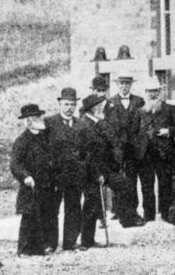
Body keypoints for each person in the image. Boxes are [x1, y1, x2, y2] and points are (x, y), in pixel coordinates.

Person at [45, 86, 90, 251]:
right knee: (52, 209)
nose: (69, 108)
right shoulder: (49, 123)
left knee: (73, 208)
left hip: (75, 175)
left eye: (72, 104)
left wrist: (83, 168)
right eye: (66, 104)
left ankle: (70, 242)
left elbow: (87, 150)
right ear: (59, 104)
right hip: (55, 175)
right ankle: (50, 243)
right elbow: (43, 149)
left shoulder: (82, 125)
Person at [11, 102, 56, 256]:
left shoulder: (44, 137)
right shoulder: (22, 141)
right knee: (29, 217)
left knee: (45, 215)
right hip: (30, 186)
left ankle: (40, 248)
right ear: (29, 121)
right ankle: (24, 249)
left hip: (46, 184)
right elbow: (15, 164)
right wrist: (26, 177)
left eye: (39, 116)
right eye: (36, 117)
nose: (40, 119)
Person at [103, 74, 144, 227]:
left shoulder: (139, 101)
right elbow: (107, 125)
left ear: (130, 85)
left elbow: (143, 124)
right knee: (117, 179)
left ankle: (133, 211)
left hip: (133, 147)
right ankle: (118, 210)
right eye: (121, 83)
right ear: (117, 85)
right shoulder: (110, 102)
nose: (124, 86)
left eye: (127, 83)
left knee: (132, 179)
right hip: (117, 147)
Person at [135, 80, 175, 222]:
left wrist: (169, 131)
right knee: (146, 185)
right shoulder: (140, 112)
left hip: (164, 153)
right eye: (149, 91)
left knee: (165, 184)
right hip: (145, 154)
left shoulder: (170, 109)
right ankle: (149, 215)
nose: (152, 94)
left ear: (160, 93)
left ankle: (165, 214)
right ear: (145, 93)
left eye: (155, 91)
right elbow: (133, 132)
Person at [78, 94, 115, 249]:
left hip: (98, 169)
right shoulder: (85, 125)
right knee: (90, 205)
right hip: (88, 171)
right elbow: (88, 153)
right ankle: (85, 240)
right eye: (101, 106)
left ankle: (89, 239)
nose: (103, 109)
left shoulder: (96, 122)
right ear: (94, 108)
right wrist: (96, 173)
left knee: (93, 204)